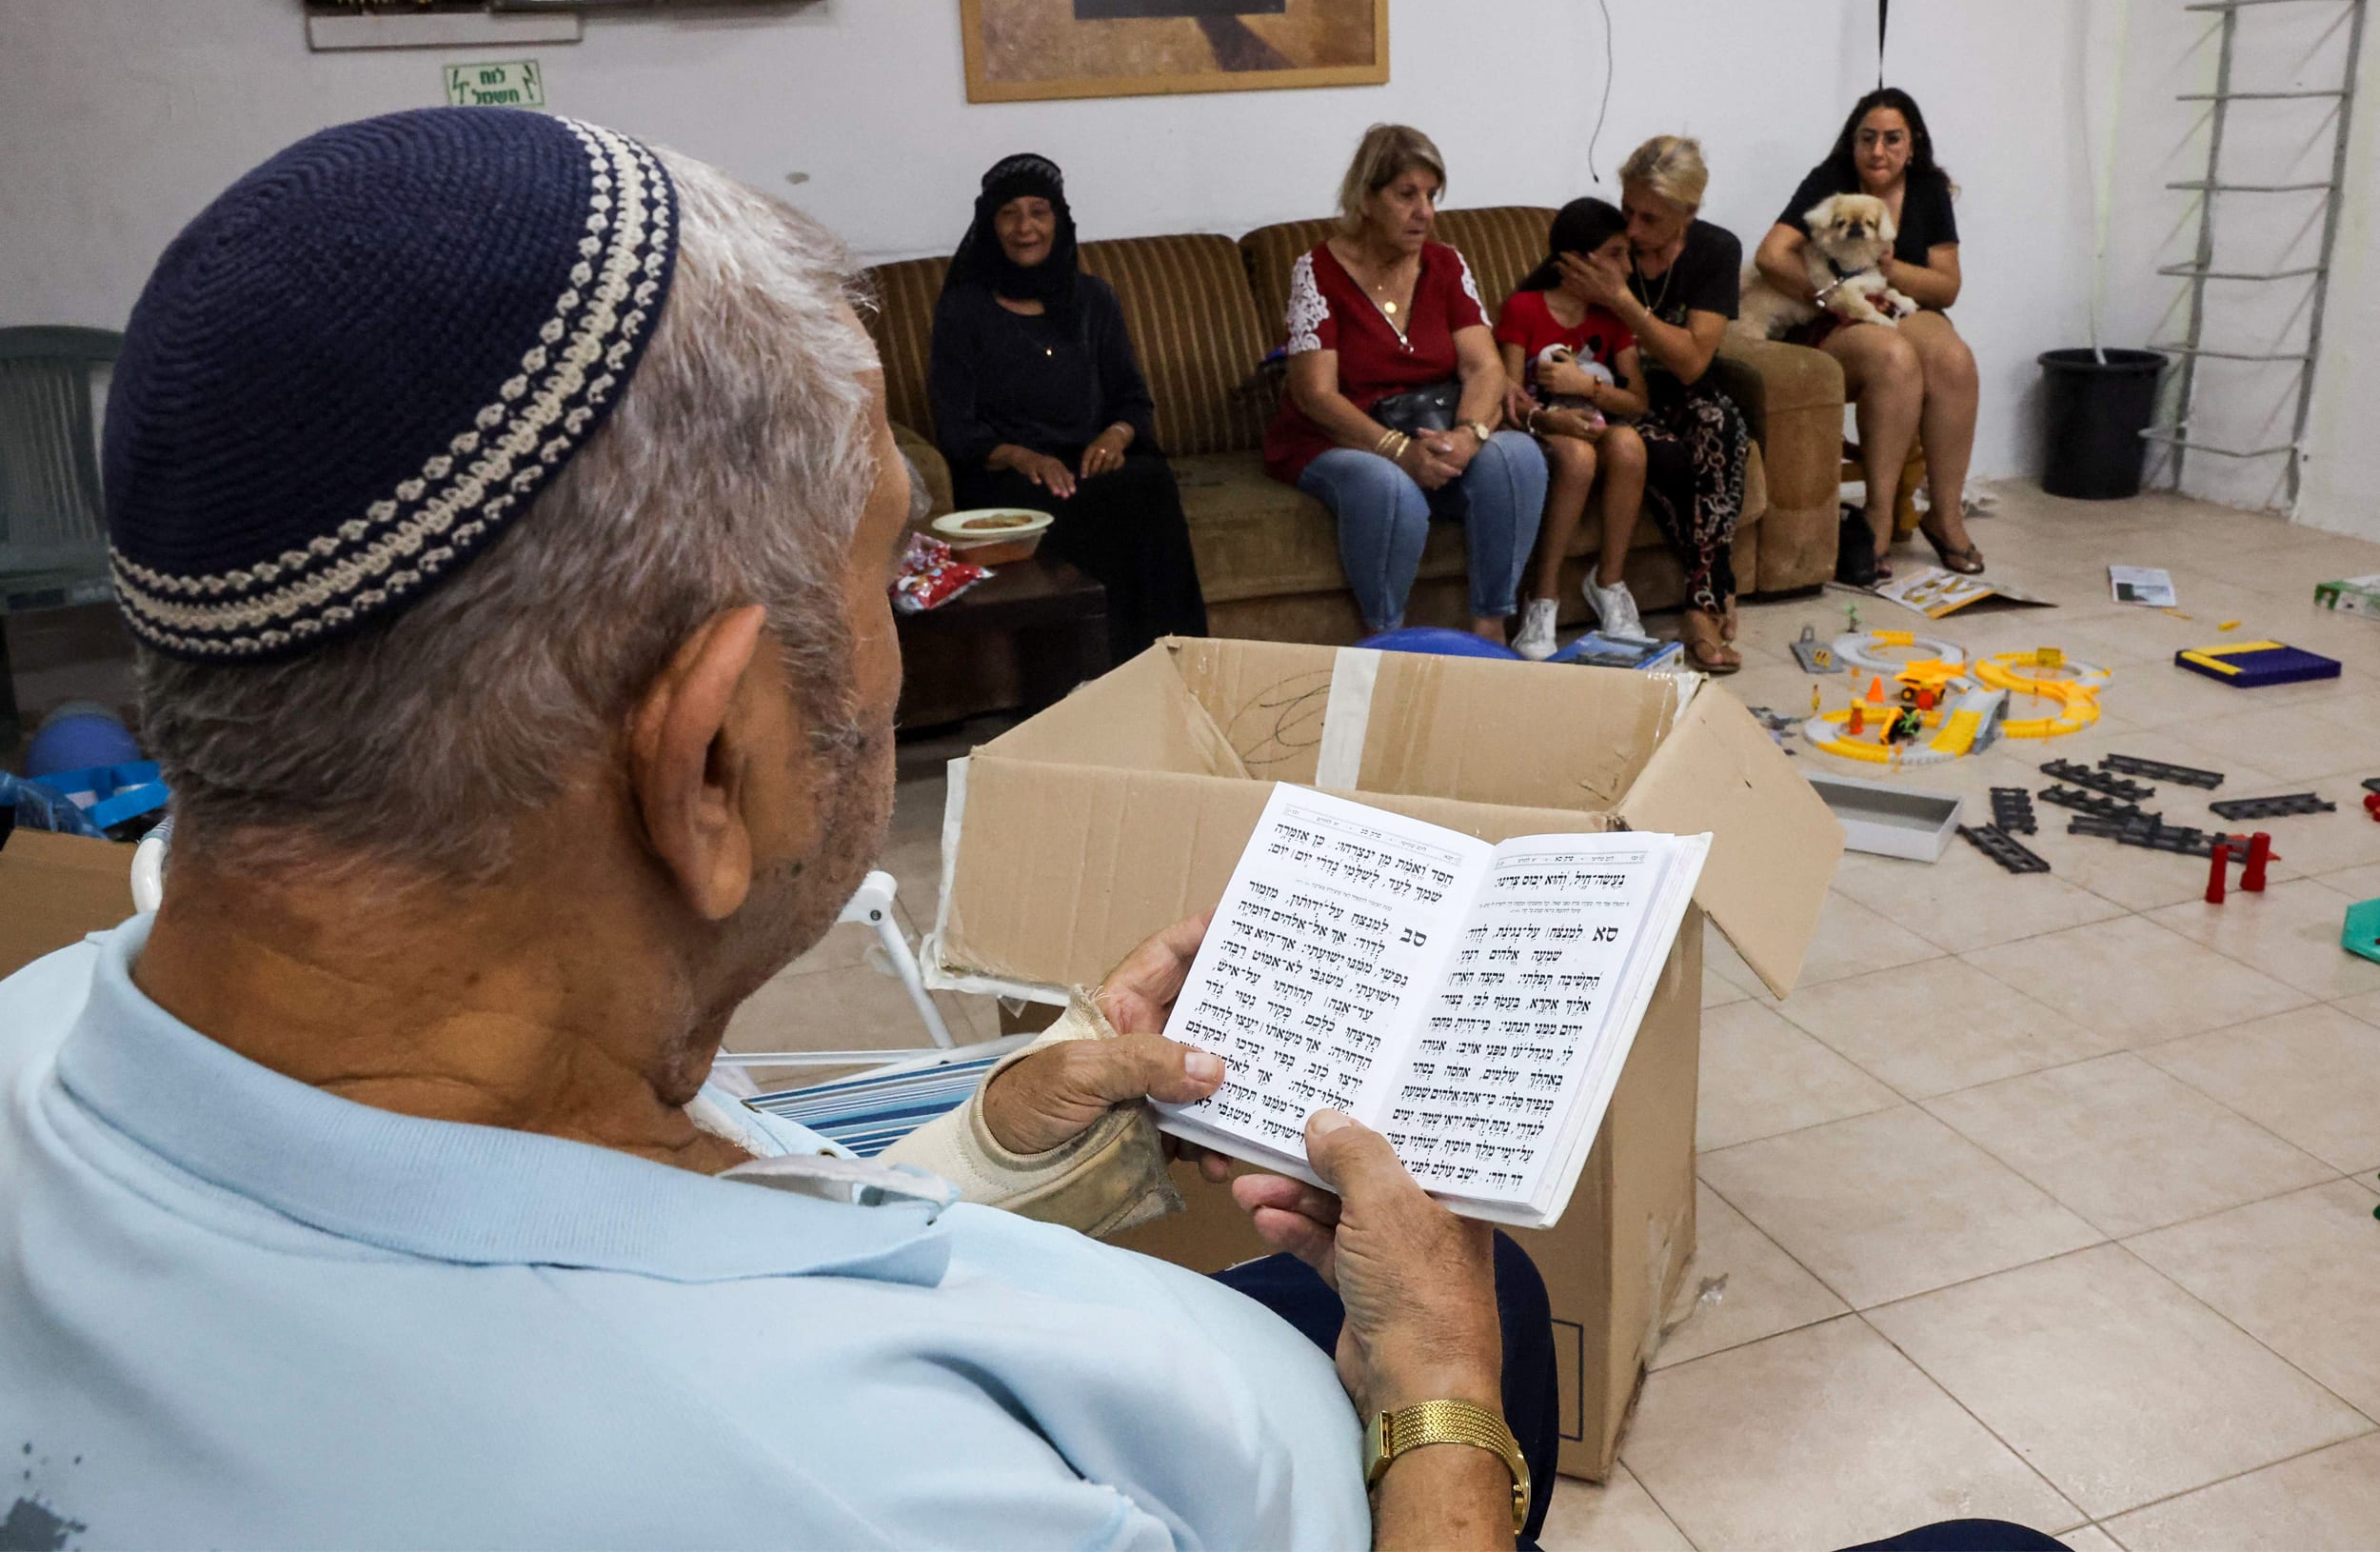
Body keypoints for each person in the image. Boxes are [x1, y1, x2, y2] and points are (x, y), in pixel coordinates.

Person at [0, 109, 1556, 1550]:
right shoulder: (851, 1489)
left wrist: (985, 1151)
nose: (893, 642)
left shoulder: (50, 1025)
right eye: (888, 577)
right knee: (1507, 1315)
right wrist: (1441, 1392)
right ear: (713, 769)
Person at [1263, 124, 1549, 642]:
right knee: (1388, 488)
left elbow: (1484, 368)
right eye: (1406, 195)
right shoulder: (1318, 270)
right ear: (1366, 199)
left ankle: (1490, 630)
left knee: (1519, 458)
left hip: (1437, 426)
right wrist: (1396, 450)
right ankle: (1386, 642)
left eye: (1431, 196)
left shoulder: (1445, 263)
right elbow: (1315, 394)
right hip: (1344, 436)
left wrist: (1468, 437)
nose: (1425, 212)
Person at [929, 151, 1208, 661]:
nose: (1025, 227)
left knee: (1147, 484)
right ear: (990, 224)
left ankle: (1176, 660)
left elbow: (1132, 397)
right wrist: (1021, 455)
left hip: (1091, 462)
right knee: (1065, 504)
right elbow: (957, 427)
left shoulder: (1094, 299)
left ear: (1059, 221)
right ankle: (1091, 673)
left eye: (1039, 211)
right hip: (1008, 475)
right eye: (1009, 213)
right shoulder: (963, 309)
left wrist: (1116, 436)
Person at [1754, 88, 1983, 577]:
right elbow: (1771, 256)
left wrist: (1888, 269)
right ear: (1852, 143)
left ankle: (1944, 516)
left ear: (1913, 143)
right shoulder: (1829, 181)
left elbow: (1947, 286)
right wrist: (1829, 295)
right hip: (1832, 315)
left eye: (1892, 139)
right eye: (1867, 138)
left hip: (1898, 298)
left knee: (1954, 361)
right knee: (1893, 358)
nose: (1878, 151)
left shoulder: (1928, 190)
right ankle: (1877, 516)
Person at [1551, 136, 1753, 674]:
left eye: (1650, 219)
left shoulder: (1715, 250)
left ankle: (1698, 606)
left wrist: (1622, 300)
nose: (1633, 231)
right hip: (1616, 390)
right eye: (1628, 211)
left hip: (1682, 391)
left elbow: (1691, 364)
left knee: (1722, 423)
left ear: (1688, 212)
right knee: (1666, 459)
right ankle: (1713, 593)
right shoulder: (1603, 243)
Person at [1494, 197, 1653, 660]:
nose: (1627, 266)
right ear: (1581, 261)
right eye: (1616, 254)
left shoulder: (1615, 317)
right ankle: (1542, 599)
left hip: (1595, 419)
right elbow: (1507, 398)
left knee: (1629, 445)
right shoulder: (1524, 309)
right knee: (1578, 457)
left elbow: (1637, 402)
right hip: (1539, 428)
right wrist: (1550, 419)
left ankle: (1608, 581)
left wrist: (1586, 386)